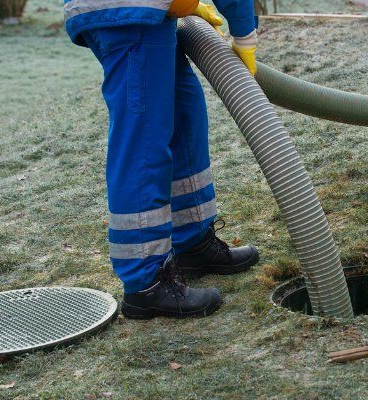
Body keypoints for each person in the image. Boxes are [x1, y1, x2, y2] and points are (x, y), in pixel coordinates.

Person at [62, 0, 261, 319]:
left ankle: (192, 244)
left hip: (144, 11)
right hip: (129, 14)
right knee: (144, 142)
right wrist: (245, 35)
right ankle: (146, 284)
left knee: (183, 116)